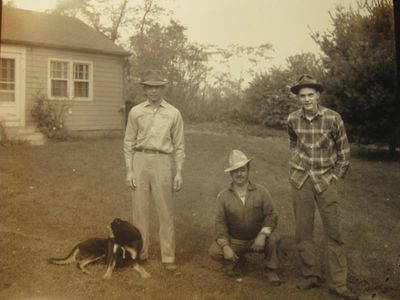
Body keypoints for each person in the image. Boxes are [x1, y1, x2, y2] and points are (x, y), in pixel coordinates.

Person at [287, 75, 357, 299]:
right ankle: (311, 276)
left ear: (318, 95)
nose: (306, 99)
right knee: (303, 232)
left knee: (334, 232)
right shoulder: (292, 119)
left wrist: (335, 176)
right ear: (298, 98)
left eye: (310, 95)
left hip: (325, 180)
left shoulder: (333, 118)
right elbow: (293, 142)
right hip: (301, 180)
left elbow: (344, 151)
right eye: (302, 96)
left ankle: (338, 284)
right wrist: (297, 163)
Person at [123, 69, 185, 271]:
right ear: (145, 89)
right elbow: (128, 142)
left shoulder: (173, 113)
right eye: (150, 87)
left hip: (163, 162)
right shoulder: (136, 112)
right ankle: (141, 253)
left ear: (162, 89)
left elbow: (179, 146)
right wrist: (130, 170)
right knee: (139, 211)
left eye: (157, 87)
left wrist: (179, 172)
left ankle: (168, 257)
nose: (153, 91)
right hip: (140, 160)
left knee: (165, 212)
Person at [208, 149, 281, 285]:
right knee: (214, 251)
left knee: (273, 238)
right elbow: (220, 224)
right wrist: (225, 247)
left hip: (257, 239)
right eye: (235, 171)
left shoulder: (262, 191)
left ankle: (271, 269)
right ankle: (236, 260)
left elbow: (271, 215)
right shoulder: (223, 196)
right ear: (230, 173)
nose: (239, 174)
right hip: (236, 241)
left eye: (242, 169)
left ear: (248, 170)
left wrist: (262, 235)